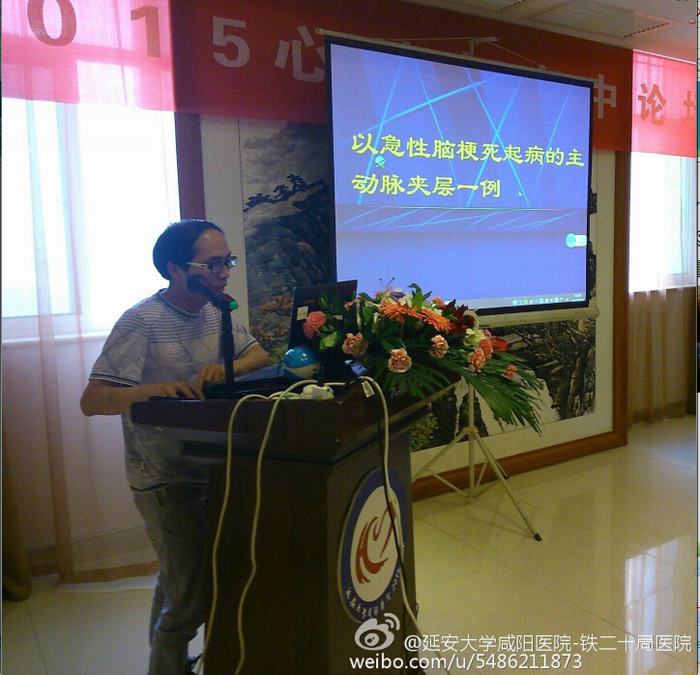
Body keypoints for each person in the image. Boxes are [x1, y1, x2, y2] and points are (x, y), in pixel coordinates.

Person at [80, 219, 272, 675]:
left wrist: (227, 370)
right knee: (191, 598)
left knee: (177, 581)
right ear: (175, 268)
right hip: (164, 477)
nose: (223, 272)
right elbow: (93, 400)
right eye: (212, 264)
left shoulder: (214, 311)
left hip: (211, 468)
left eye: (227, 261)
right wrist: (154, 391)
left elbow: (259, 355)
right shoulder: (142, 320)